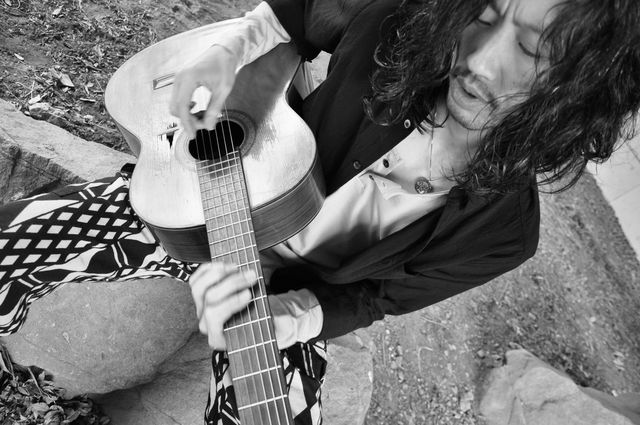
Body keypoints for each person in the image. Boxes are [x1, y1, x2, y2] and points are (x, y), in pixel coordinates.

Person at [1, 0, 639, 423]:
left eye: (533, 50)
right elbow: (300, 12)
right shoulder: (400, 31)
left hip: (283, 290)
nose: (476, 60)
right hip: (215, 195)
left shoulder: (501, 239)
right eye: (483, 14)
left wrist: (298, 316)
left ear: (587, 91)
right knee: (19, 240)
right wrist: (230, 54)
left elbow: (375, 299)